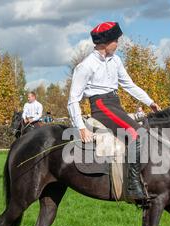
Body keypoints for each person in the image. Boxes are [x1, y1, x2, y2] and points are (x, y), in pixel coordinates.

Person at [67, 21, 161, 202]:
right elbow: (73, 99)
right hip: (101, 106)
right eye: (116, 40)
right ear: (105, 42)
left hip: (115, 104)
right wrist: (81, 127)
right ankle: (133, 185)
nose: (118, 44)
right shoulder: (85, 66)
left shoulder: (116, 60)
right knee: (138, 134)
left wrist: (150, 102)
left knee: (145, 133)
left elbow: (128, 85)